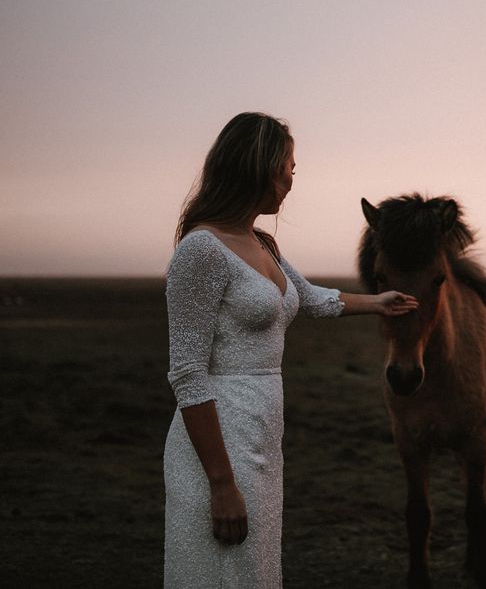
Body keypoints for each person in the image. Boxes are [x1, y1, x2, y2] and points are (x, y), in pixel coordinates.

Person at [163, 112, 418, 588]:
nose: (292, 179)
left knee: (255, 571)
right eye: (289, 167)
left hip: (263, 435)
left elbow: (310, 299)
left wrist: (379, 303)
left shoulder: (263, 244)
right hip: (219, 440)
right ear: (260, 167)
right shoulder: (201, 250)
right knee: (220, 573)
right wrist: (220, 483)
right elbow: (187, 373)